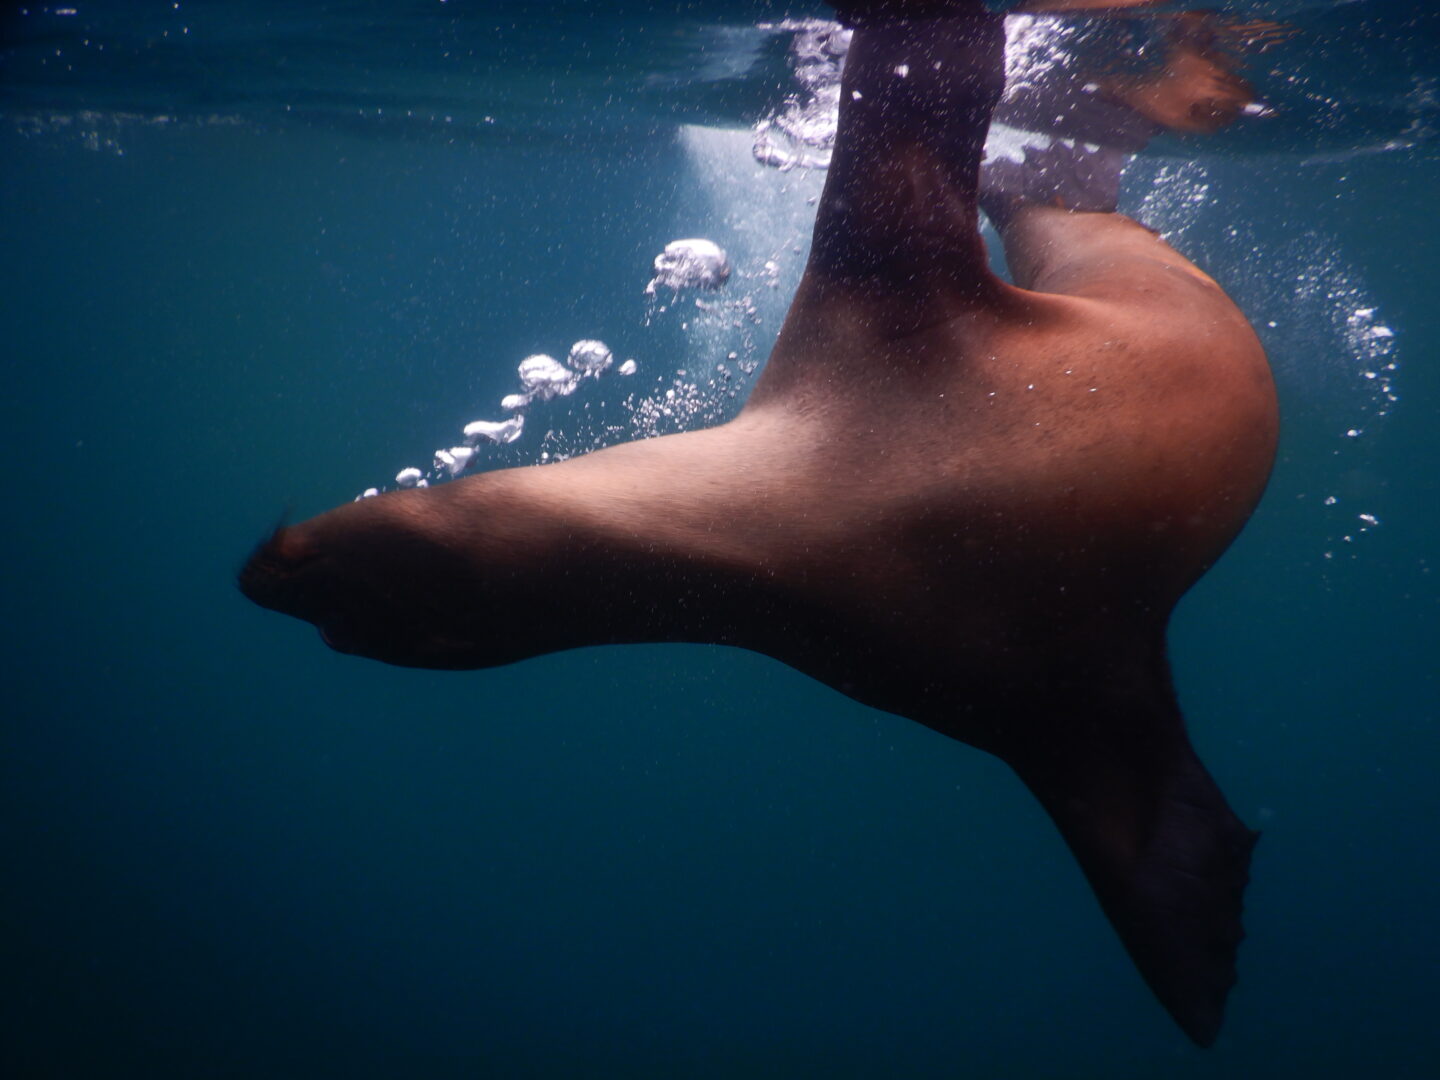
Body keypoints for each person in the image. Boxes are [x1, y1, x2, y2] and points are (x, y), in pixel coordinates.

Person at [240, 0, 1278, 1046]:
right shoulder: (875, 328)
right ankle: (1073, 164)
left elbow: (1112, 772)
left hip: (1135, 485)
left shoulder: (903, 651)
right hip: (1153, 336)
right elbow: (937, 40)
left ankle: (1067, 171)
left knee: (1056, 209)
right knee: (1062, 212)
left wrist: (1145, 868)